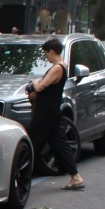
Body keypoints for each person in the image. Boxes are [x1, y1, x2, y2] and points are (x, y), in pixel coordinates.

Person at [28, 37, 84, 191]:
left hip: (45, 113)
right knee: (60, 144)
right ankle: (75, 177)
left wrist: (33, 82)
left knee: (30, 142)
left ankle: (19, 173)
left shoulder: (57, 68)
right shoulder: (62, 66)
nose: (46, 57)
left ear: (52, 52)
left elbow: (40, 87)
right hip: (52, 110)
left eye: (46, 54)